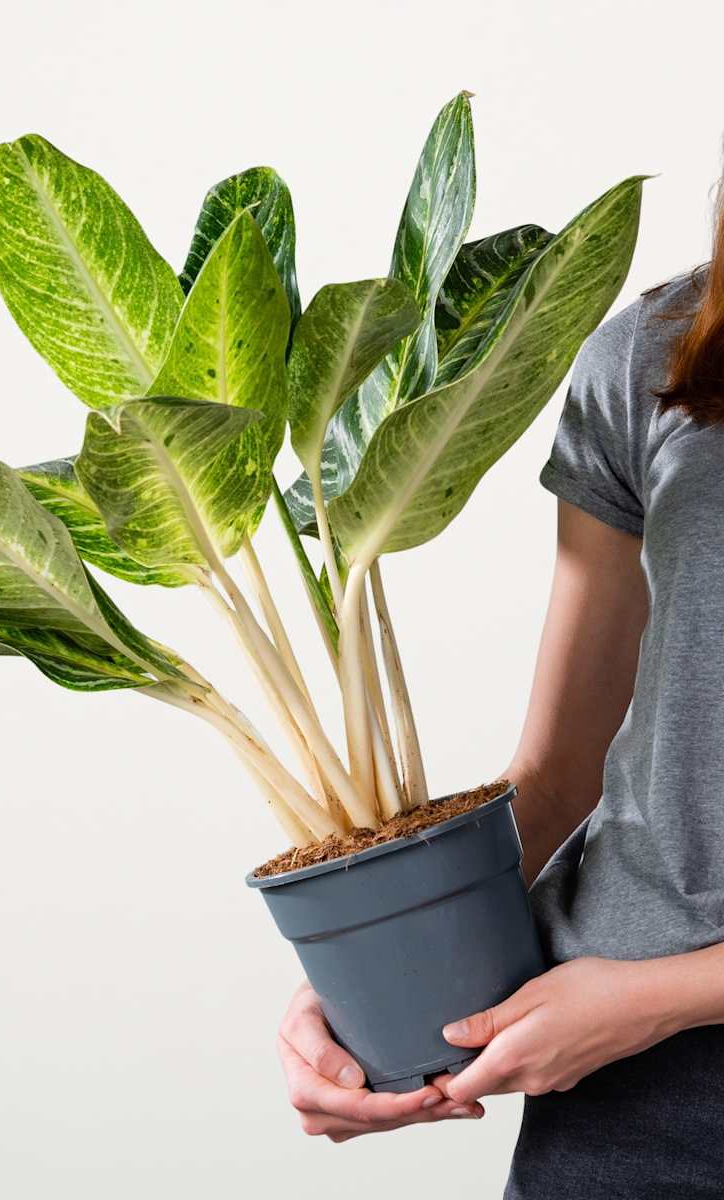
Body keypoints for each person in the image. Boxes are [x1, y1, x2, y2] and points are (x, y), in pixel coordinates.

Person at [276, 173, 724, 1199]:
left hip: (620, 1022)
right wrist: (358, 989)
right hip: (624, 1112)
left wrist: (663, 997)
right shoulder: (661, 352)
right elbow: (559, 772)